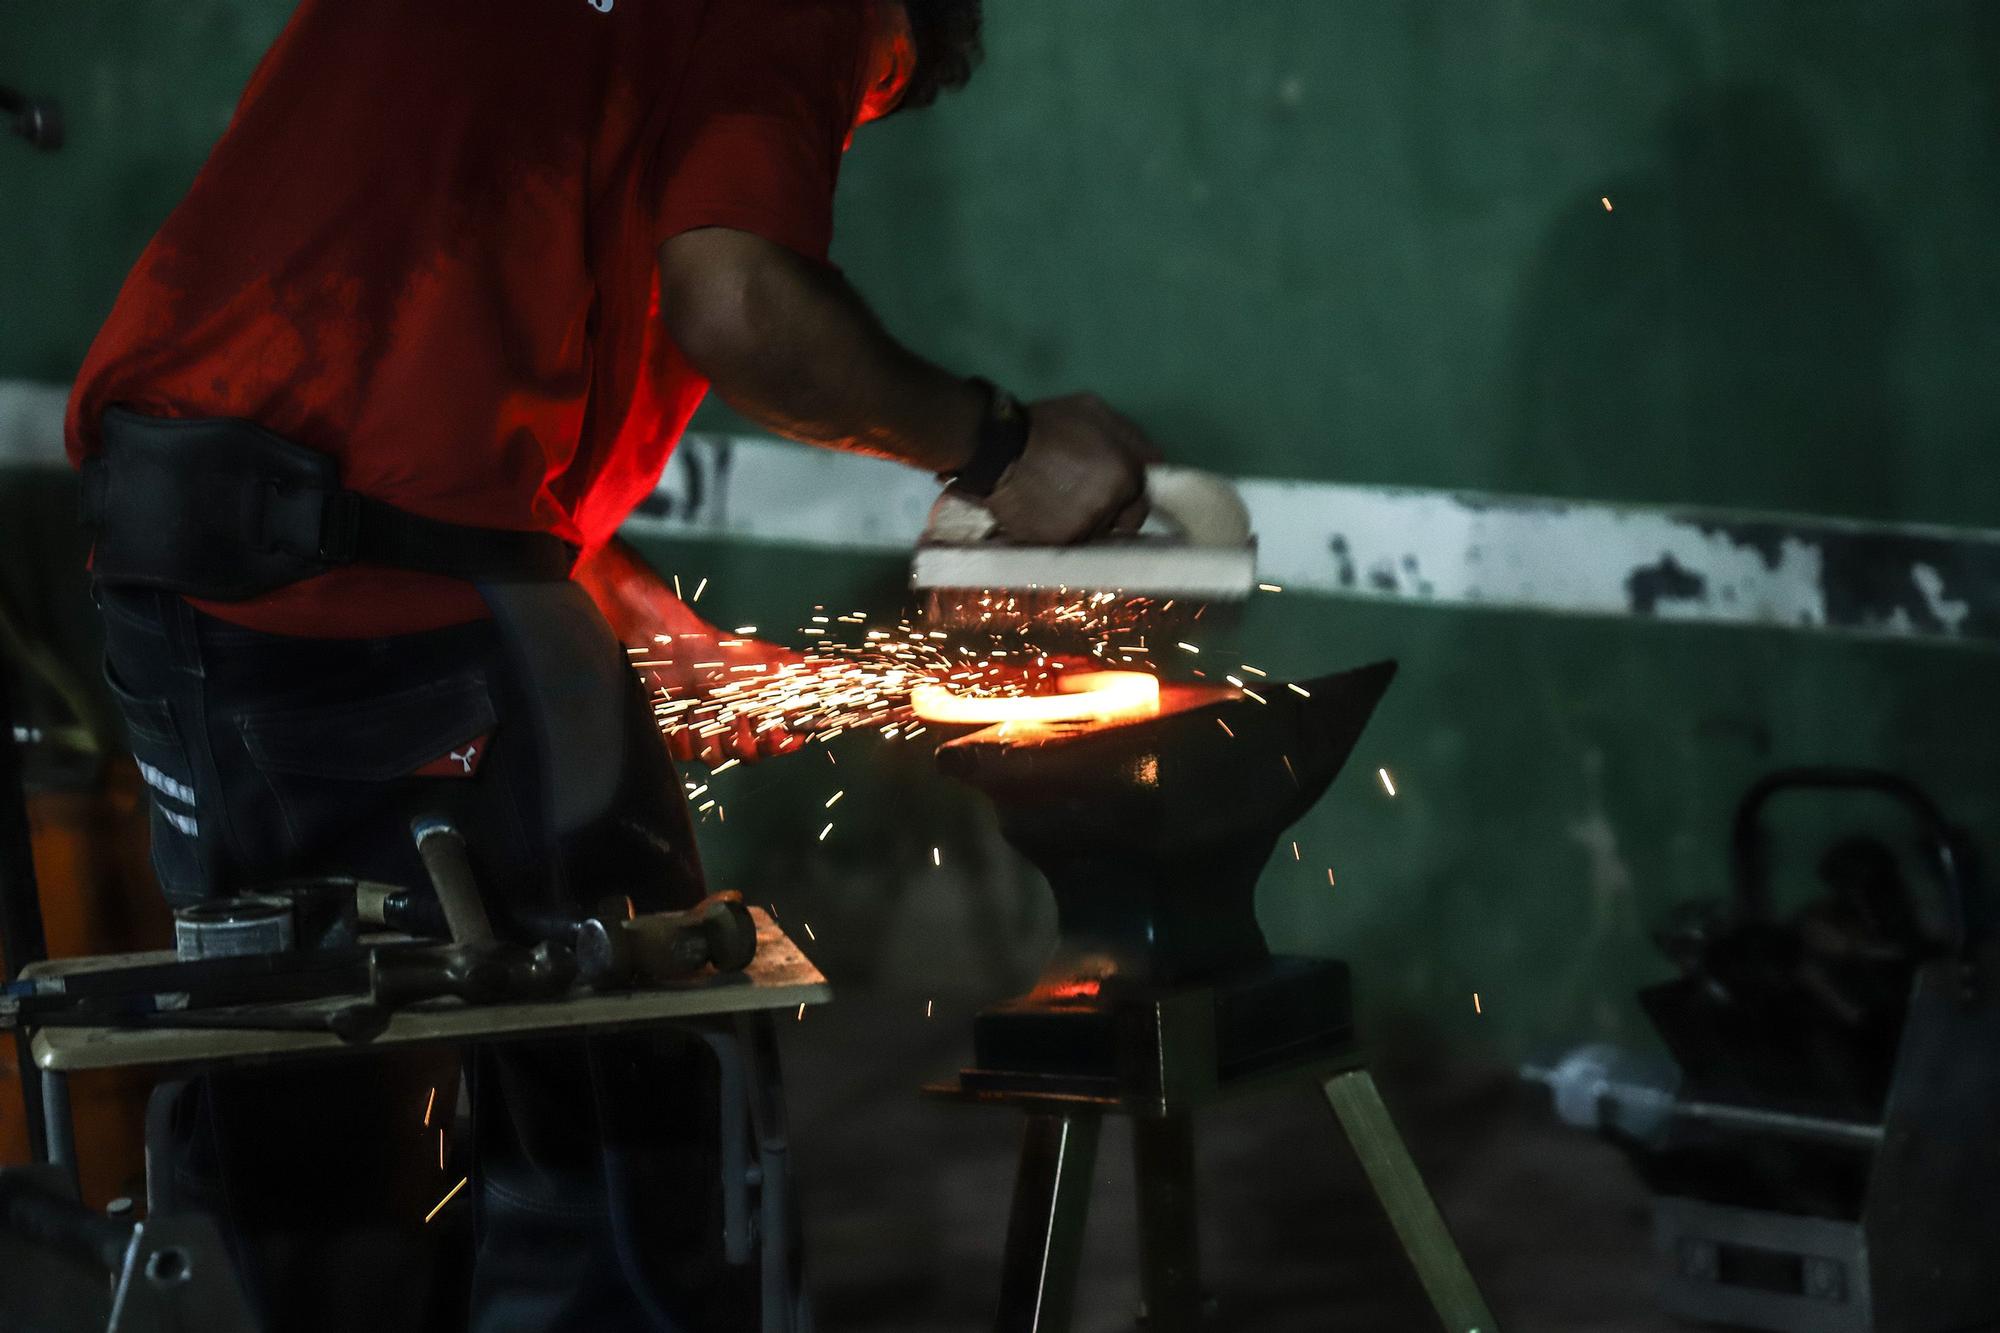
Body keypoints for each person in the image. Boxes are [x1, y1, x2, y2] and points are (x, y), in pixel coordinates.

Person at [62, 1, 1160, 1330]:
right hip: (361, 606)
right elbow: (740, 300)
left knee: (296, 1072)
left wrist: (596, 588)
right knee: (636, 1064)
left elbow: (414, 369)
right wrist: (998, 446)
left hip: (191, 571)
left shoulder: (589, 44)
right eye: (866, 93)